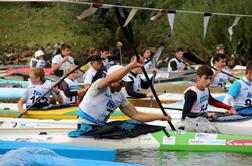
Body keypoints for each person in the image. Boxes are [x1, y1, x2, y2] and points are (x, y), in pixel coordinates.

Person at [68, 56, 171, 137]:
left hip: (101, 128)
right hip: (85, 129)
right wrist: (132, 65)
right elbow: (109, 79)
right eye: (121, 82)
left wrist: (160, 117)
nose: (123, 85)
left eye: (124, 82)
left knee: (133, 123)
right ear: (112, 79)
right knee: (124, 126)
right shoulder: (99, 86)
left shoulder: (120, 96)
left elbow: (136, 114)